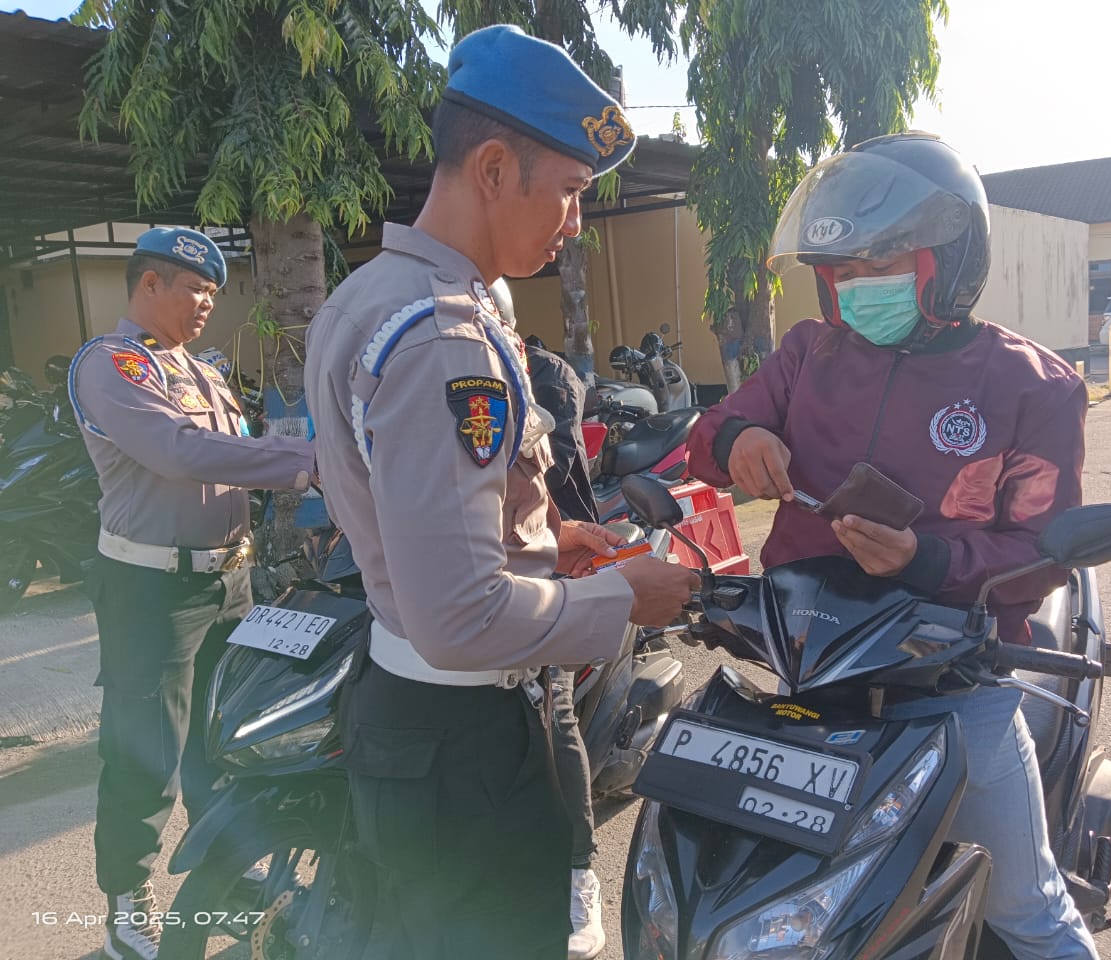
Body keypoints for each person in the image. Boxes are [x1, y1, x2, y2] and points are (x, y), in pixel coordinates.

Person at [303, 24, 699, 960]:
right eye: (569, 190)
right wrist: (623, 596)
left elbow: (429, 494)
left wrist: (549, 537)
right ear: (491, 169)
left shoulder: (372, 297)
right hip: (468, 736)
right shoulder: (446, 340)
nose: (575, 221)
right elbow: (458, 615)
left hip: (418, 716)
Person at [686, 132, 1097, 960]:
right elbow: (708, 435)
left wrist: (927, 561)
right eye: (842, 269)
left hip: (954, 683)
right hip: (808, 676)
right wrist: (737, 441)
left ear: (951, 261)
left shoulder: (1034, 387)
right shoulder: (808, 353)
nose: (856, 284)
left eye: (881, 264)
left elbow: (1045, 554)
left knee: (1031, 913)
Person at [66, 227, 316, 960]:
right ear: (149, 284)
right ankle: (127, 905)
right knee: (147, 755)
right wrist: (309, 461)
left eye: (213, 291)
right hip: (154, 590)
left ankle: (228, 868)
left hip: (228, 581)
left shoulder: (201, 370)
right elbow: (178, 450)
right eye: (195, 289)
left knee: (225, 740)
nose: (208, 302)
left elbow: (234, 449)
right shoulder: (113, 365)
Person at [490, 278, 606, 959]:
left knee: (553, 714)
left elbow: (543, 479)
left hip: (540, 569)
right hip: (465, 587)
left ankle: (579, 872)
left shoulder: (544, 376)